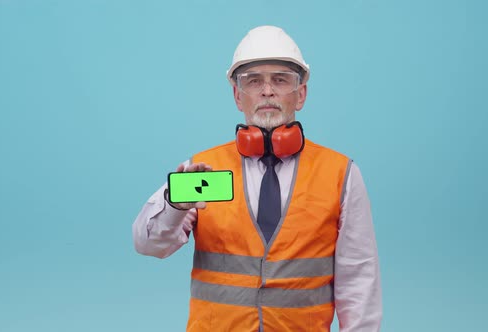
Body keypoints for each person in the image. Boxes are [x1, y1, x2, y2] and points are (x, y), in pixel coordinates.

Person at [132, 25, 382, 331]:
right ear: (238, 96)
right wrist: (175, 206)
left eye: (280, 79)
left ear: (300, 94)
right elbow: (148, 244)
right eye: (253, 81)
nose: (267, 91)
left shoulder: (341, 174)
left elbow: (359, 281)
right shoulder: (201, 170)